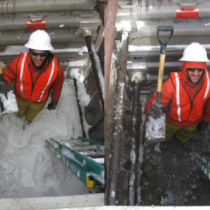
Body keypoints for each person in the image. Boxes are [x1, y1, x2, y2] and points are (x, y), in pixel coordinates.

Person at [145, 42, 210, 153]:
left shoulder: (208, 82)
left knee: (186, 134)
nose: (196, 73)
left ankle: (183, 141)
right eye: (192, 69)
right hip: (172, 121)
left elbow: (209, 103)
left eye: (200, 69)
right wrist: (151, 108)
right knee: (168, 133)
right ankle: (166, 140)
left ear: (204, 69)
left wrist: (207, 118)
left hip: (193, 122)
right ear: (185, 68)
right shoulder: (173, 83)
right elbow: (158, 99)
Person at [0, 30, 64, 128]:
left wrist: (55, 100)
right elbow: (8, 75)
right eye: (34, 53)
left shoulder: (56, 69)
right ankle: (20, 115)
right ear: (30, 50)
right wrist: (4, 84)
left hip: (39, 102)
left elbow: (58, 86)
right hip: (20, 98)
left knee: (31, 114)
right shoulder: (19, 62)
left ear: (47, 53)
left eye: (42, 54)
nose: (38, 58)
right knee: (20, 110)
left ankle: (28, 120)